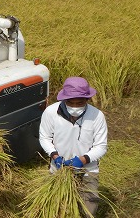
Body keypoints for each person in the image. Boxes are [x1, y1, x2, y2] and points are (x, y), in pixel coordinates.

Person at [38, 76, 108, 216]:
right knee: (59, 207)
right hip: (59, 170)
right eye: (71, 102)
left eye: (80, 103)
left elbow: (101, 146)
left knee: (89, 209)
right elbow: (44, 138)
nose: (75, 106)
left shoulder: (96, 116)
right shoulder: (51, 112)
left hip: (88, 170)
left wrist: (83, 160)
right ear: (64, 99)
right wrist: (54, 155)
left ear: (87, 99)